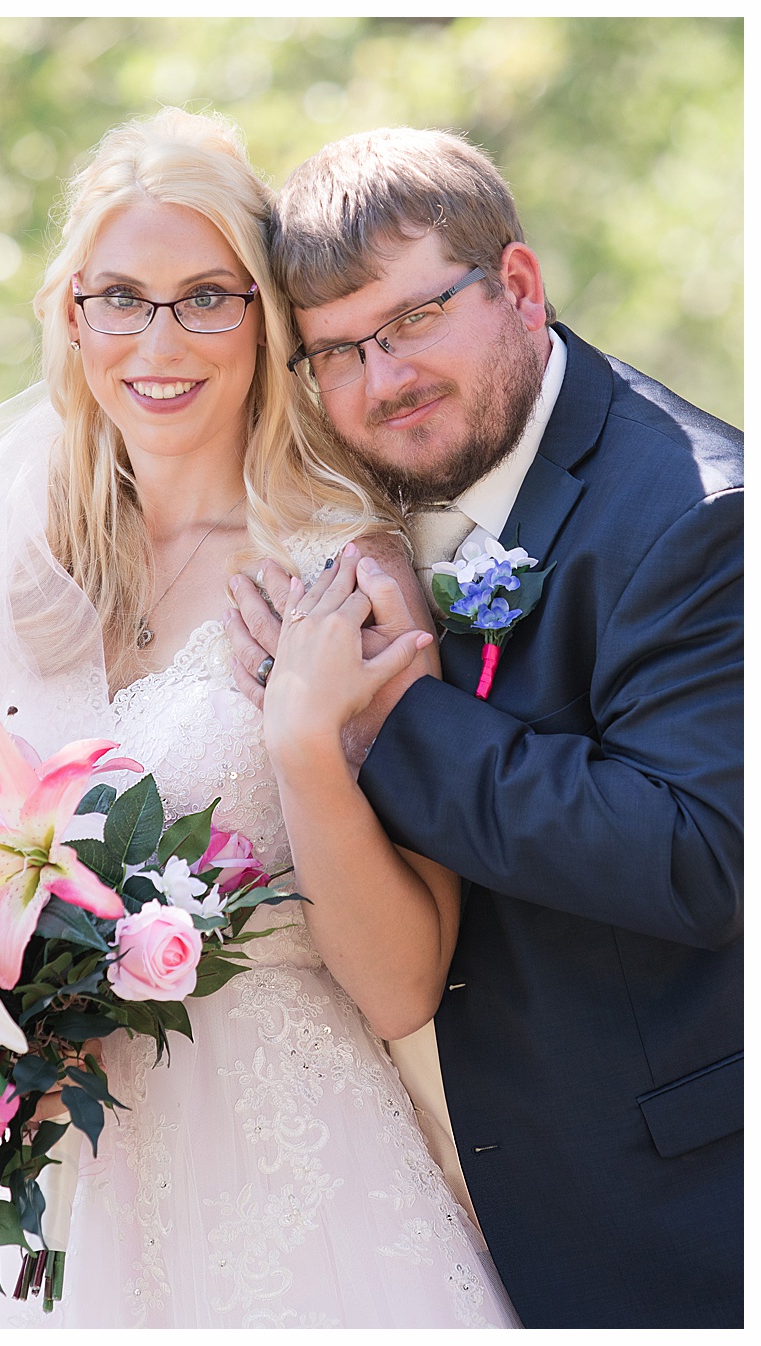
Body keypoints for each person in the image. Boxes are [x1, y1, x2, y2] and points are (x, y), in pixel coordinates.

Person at [0, 108, 518, 1328]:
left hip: (296, 1170)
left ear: (264, 321)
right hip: (76, 1177)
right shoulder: (19, 561)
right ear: (73, 318)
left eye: (207, 296)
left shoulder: (344, 575)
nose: (158, 340)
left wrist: (298, 746)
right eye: (121, 295)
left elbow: (406, 985)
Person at [224, 126, 741, 1329]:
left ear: (517, 284)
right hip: (422, 1210)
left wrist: (389, 713)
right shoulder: (392, 511)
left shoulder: (698, 518)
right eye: (338, 351)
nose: (382, 378)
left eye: (412, 321)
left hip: (678, 1223)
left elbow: (697, 855)